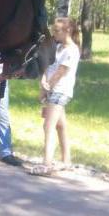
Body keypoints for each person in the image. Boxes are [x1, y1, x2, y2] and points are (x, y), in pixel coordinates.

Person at [31, 17, 81, 176]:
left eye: (57, 31)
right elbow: (48, 66)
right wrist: (43, 81)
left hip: (60, 90)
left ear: (68, 31)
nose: (54, 34)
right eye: (53, 30)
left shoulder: (72, 50)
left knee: (48, 126)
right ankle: (66, 161)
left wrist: (47, 88)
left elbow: (60, 72)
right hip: (52, 88)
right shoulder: (57, 47)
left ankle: (46, 164)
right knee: (60, 126)